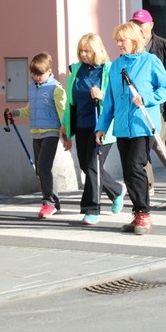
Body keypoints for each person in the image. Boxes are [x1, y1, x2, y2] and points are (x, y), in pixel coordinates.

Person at [95, 23, 166, 235]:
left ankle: (144, 214)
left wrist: (147, 98)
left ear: (135, 40)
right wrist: (102, 127)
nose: (119, 44)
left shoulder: (150, 61)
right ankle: (138, 212)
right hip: (122, 127)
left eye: (123, 40)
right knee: (128, 171)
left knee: (135, 166)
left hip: (143, 125)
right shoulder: (115, 66)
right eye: (117, 41)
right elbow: (109, 100)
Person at [61, 33, 125, 226]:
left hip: (102, 126)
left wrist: (101, 95)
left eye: (87, 51)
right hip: (82, 125)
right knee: (86, 165)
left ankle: (91, 208)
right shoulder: (77, 70)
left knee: (92, 165)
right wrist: (65, 125)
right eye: (81, 50)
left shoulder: (109, 70)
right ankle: (116, 190)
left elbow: (118, 97)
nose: (83, 54)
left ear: (97, 50)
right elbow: (70, 101)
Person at [129, 9, 166, 193]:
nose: (138, 27)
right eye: (135, 24)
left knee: (157, 141)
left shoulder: (163, 46)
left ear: (151, 25)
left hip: (159, 104)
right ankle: (147, 184)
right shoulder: (131, 45)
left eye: (141, 24)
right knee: (143, 143)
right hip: (137, 105)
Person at [7, 53, 66, 219]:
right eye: (34, 74)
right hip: (36, 133)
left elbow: (63, 113)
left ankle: (48, 203)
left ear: (49, 71)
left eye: (40, 74)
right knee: (40, 170)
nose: (37, 77)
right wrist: (16, 113)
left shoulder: (56, 88)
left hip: (51, 133)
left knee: (43, 167)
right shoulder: (32, 87)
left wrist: (66, 134)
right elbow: (30, 109)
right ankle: (54, 202)